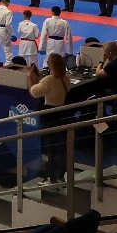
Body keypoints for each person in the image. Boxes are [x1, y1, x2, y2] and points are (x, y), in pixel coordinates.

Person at [27, 54, 70, 182]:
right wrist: (41, 79)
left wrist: (30, 78)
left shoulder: (49, 80)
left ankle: (52, 177)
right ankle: (60, 175)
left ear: (51, 65)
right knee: (60, 145)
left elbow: (34, 92)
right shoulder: (66, 78)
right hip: (62, 112)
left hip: (49, 114)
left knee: (50, 146)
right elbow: (52, 89)